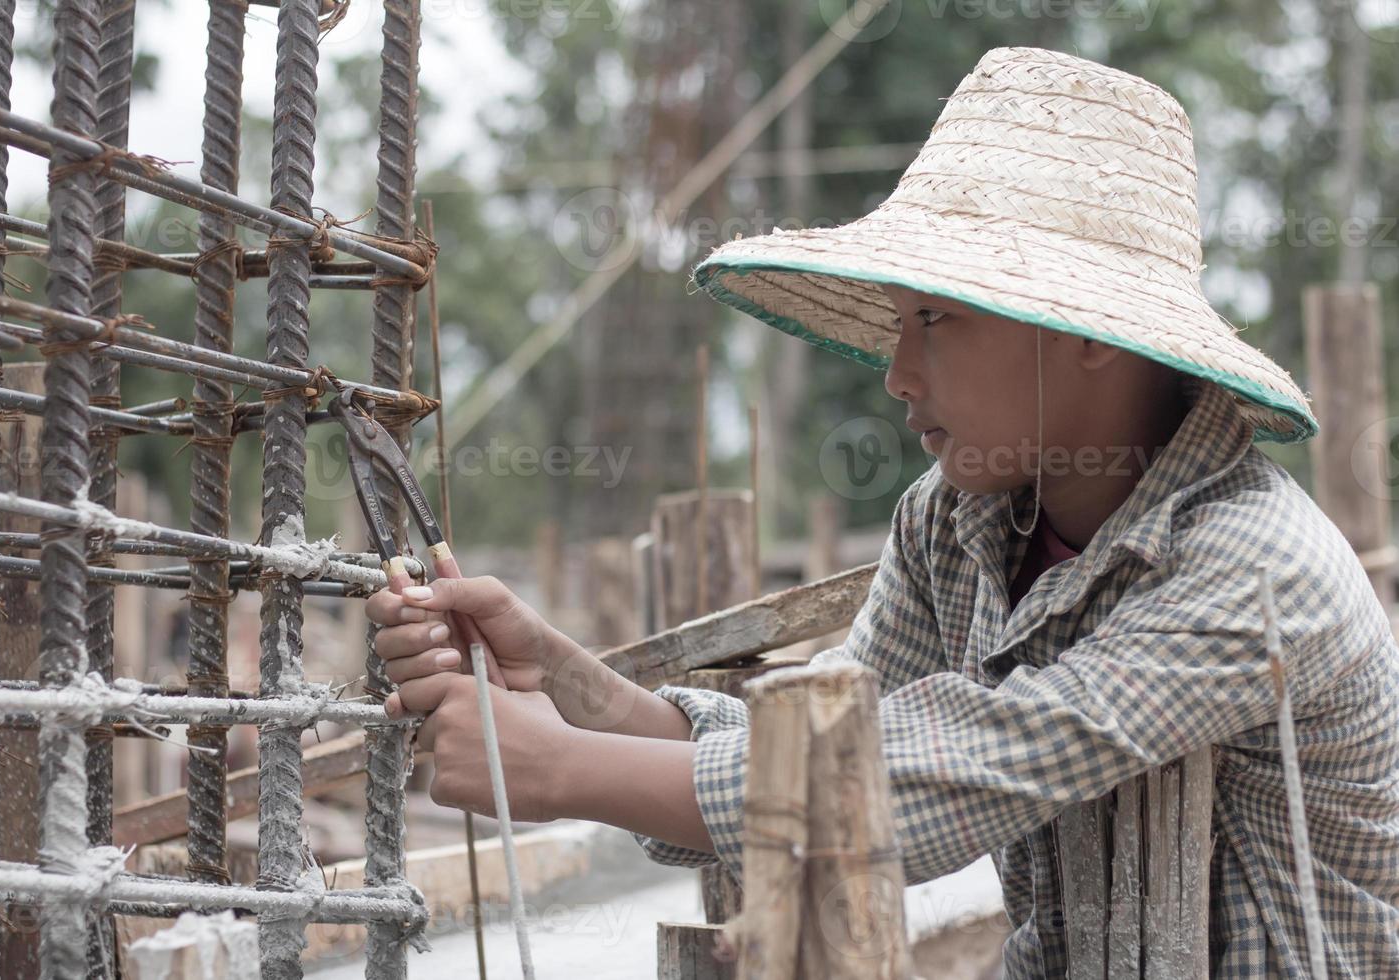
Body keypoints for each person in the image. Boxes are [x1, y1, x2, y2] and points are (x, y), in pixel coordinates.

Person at [365, 47, 1399, 976]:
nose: (900, 373)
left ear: (1090, 334)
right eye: (902, 324)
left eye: (937, 321)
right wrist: (569, 682)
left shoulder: (1257, 566)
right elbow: (823, 736)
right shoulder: (951, 524)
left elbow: (904, 790)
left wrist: (563, 768)